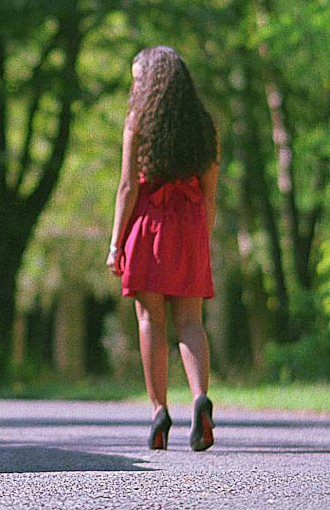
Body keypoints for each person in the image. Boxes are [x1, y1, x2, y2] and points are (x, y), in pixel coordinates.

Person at [106, 45, 219, 451]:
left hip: (148, 227)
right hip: (190, 227)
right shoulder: (205, 126)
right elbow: (210, 193)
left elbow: (127, 187)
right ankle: (200, 398)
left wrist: (115, 243)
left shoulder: (138, 121)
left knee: (150, 321)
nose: (134, 85)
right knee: (190, 322)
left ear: (152, 82)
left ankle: (158, 412)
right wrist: (203, 240)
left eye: (138, 78)